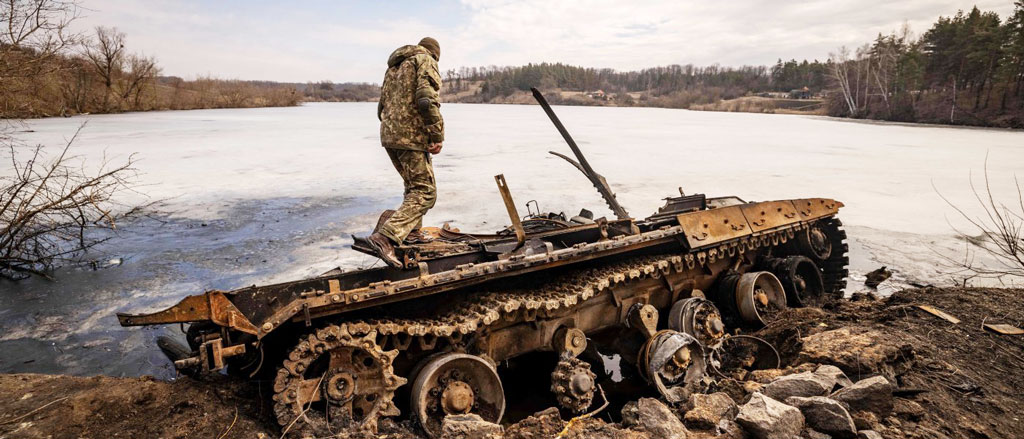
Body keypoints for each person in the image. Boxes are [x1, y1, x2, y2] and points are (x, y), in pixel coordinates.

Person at [367, 37, 444, 268]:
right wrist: (436, 134)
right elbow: (425, 100)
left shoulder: (394, 67)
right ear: (435, 54)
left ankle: (412, 233)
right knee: (425, 192)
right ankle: (387, 236)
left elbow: (381, 107)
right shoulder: (425, 60)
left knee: (413, 187)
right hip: (411, 136)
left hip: (390, 135)